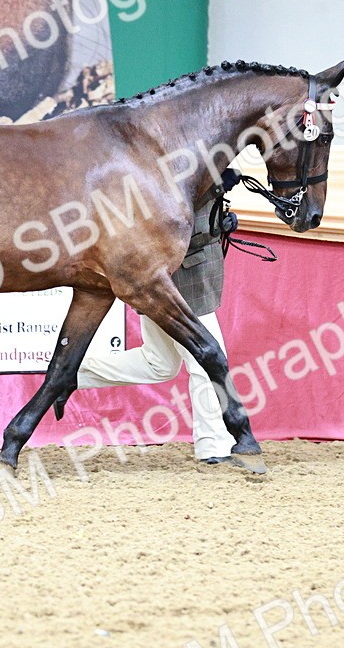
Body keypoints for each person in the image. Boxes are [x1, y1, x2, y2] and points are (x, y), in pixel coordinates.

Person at [76, 170, 242, 464]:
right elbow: (172, 230)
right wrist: (214, 225)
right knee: (206, 362)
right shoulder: (181, 172)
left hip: (180, 278)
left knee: (159, 363)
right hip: (182, 281)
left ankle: (70, 374)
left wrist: (219, 218)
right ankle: (213, 446)